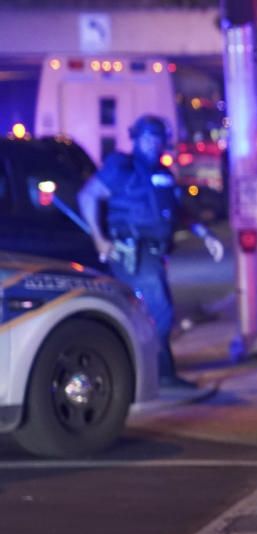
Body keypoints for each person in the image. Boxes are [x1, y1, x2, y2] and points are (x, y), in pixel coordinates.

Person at [78, 114, 223, 390]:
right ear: (134, 139)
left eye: (157, 139)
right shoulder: (122, 168)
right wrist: (99, 239)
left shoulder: (163, 174)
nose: (152, 144)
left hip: (155, 255)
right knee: (161, 312)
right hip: (132, 253)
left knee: (152, 313)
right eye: (146, 138)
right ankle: (162, 376)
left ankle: (150, 373)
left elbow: (178, 213)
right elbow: (88, 196)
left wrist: (206, 235)